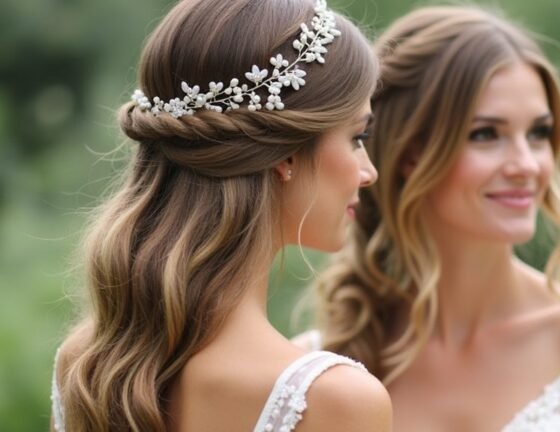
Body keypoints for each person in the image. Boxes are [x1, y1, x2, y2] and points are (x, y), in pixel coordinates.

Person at [304, 5, 560, 431]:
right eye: (486, 134)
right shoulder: (316, 373)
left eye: (538, 133)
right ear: (410, 154)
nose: (528, 165)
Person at [50, 0, 392, 431]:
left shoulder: (88, 366)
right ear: (285, 153)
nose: (368, 172)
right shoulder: (334, 401)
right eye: (357, 136)